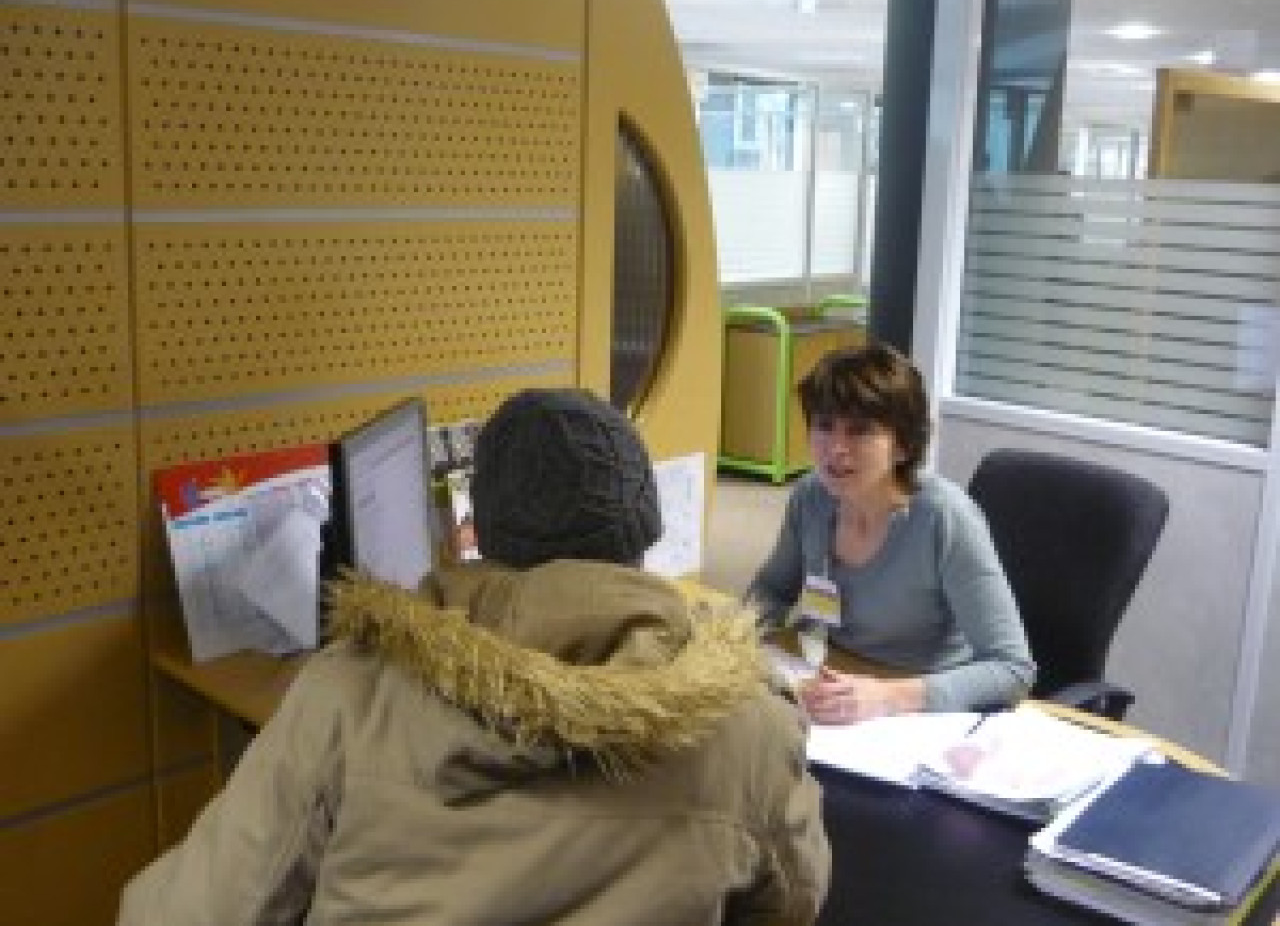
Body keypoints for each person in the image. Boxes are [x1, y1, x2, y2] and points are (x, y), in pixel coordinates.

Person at [118, 387, 830, 926]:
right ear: (646, 531)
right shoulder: (748, 725)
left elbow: (186, 912)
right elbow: (793, 899)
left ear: (475, 530)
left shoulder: (347, 696)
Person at [747, 341, 1035, 724]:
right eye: (823, 425)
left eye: (859, 431)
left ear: (903, 445)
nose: (835, 448)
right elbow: (772, 590)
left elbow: (1013, 668)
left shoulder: (945, 518)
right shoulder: (810, 497)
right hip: (831, 682)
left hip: (918, 706)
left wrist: (887, 697)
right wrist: (736, 644)